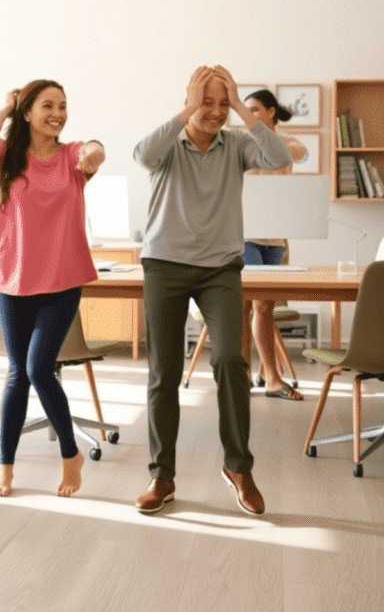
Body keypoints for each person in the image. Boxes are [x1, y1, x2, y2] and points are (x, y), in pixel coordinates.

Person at [133, 65, 291, 516]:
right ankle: (162, 476)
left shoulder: (237, 144)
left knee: (230, 359)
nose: (216, 112)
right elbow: (143, 154)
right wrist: (191, 107)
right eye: (208, 102)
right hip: (164, 264)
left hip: (220, 268)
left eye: (224, 104)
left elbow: (280, 156)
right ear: (188, 100)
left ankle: (239, 467)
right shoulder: (168, 146)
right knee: (164, 371)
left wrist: (242, 106)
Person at [0, 80, 106, 498]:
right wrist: (9, 105)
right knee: (17, 374)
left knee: (37, 368)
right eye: (47, 105)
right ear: (29, 112)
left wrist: (93, 150)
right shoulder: (7, 157)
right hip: (12, 280)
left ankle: (70, 456)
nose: (57, 113)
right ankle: (6, 468)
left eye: (63, 106)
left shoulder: (71, 157)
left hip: (61, 279)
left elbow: (93, 151)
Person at [241, 89, 308, 400]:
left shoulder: (288, 143)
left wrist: (266, 136)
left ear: (270, 112)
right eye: (246, 110)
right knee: (249, 304)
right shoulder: (242, 142)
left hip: (276, 238)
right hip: (245, 235)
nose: (249, 115)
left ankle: (268, 376)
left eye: (255, 109)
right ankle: (254, 376)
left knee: (265, 306)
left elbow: (300, 153)